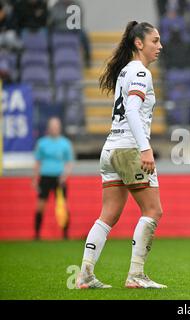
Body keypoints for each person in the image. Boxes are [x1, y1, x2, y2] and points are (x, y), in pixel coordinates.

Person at [76, 21, 165, 289]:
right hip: (129, 148)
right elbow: (134, 111)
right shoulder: (140, 72)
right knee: (153, 210)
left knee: (109, 215)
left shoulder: (126, 71)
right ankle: (136, 275)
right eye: (155, 41)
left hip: (111, 148)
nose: (159, 46)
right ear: (139, 43)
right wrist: (145, 147)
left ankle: (85, 275)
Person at [32, 117, 74, 240]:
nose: (54, 128)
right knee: (40, 206)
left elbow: (69, 163)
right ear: (48, 128)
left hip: (59, 179)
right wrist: (35, 179)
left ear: (59, 128)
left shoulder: (65, 143)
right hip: (45, 177)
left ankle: (65, 235)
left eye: (56, 126)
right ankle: (37, 234)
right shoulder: (42, 143)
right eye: (52, 126)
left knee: (63, 205)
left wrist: (65, 176)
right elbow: (37, 162)